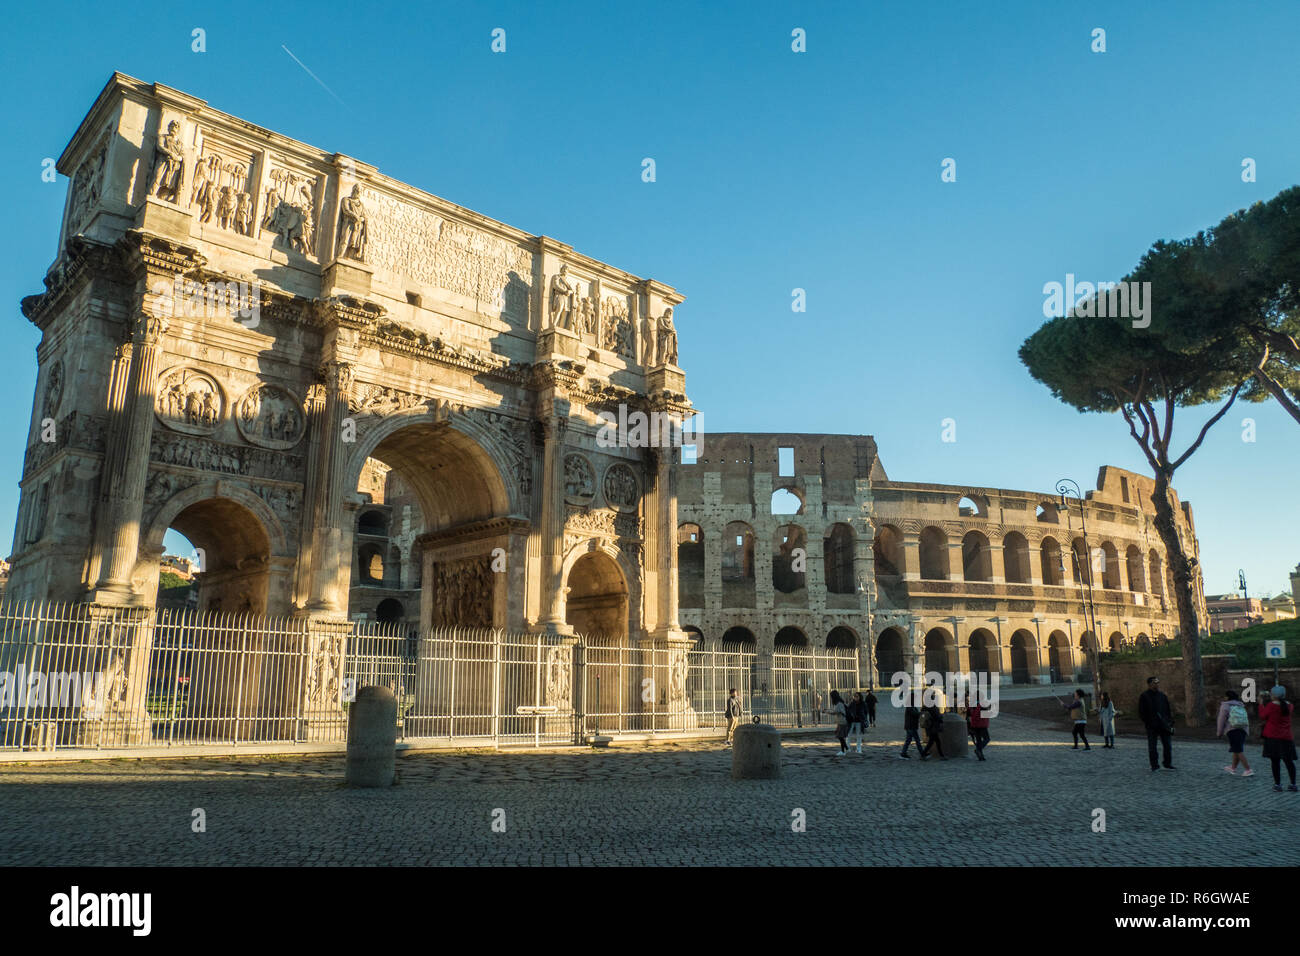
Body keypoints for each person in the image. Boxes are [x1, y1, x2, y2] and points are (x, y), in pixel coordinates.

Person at [1260, 684, 1297, 792]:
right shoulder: (1289, 706)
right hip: (1286, 737)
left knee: (1275, 762)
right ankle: (1293, 784)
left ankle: (1278, 784)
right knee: (1289, 762)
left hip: (1273, 737)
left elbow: (1263, 716)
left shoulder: (1271, 706)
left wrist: (1261, 704)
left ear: (1274, 696)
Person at [1138, 676, 1175, 771]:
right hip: (1152, 726)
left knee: (1167, 745)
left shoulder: (1162, 696)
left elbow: (1167, 710)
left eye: (1158, 682)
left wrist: (1169, 722)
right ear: (1150, 684)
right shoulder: (1144, 696)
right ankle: (1154, 764)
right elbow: (1142, 712)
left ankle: (1167, 763)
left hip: (1164, 725)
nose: (1157, 684)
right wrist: (1148, 722)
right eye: (1155, 682)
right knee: (1152, 747)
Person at [1216, 689, 1254, 777]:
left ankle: (1248, 770)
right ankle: (1233, 767)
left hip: (1232, 729)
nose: (1224, 698)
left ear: (1228, 697)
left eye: (1225, 696)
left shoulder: (1225, 706)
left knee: (1238, 750)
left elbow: (1221, 720)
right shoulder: (1240, 705)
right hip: (1243, 729)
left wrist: (1219, 732)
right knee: (1236, 749)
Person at [829, 689, 849, 757]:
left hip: (842, 722)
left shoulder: (839, 703)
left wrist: (827, 712)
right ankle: (845, 749)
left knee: (840, 737)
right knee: (840, 737)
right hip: (841, 722)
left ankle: (844, 750)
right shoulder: (839, 702)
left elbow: (835, 712)